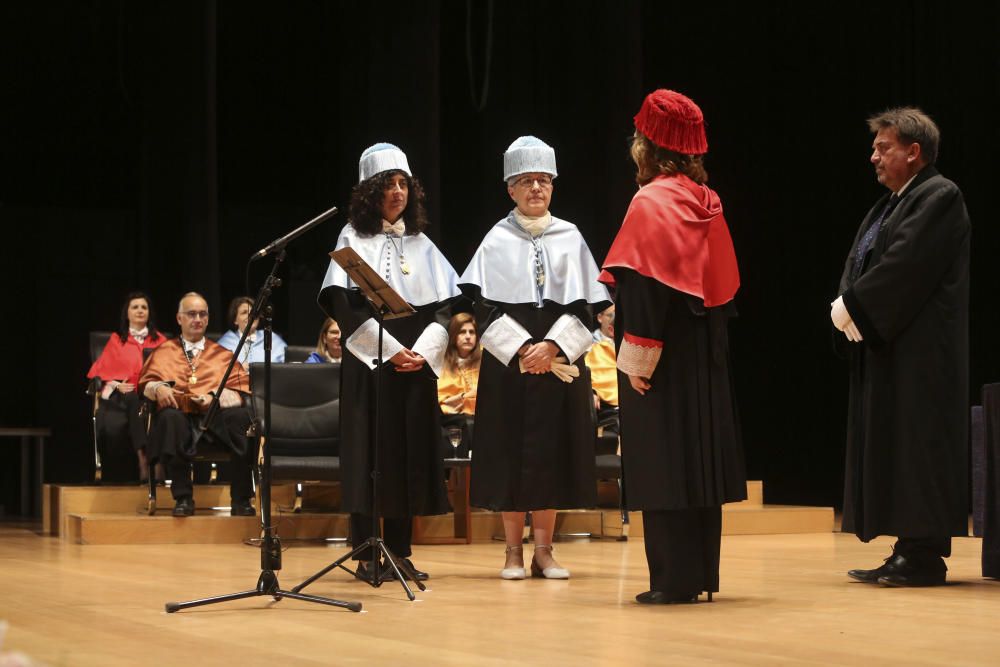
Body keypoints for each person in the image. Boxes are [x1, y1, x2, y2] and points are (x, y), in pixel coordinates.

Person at [600, 89, 746, 604]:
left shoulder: (652, 200)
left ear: (648, 143)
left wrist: (637, 360)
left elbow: (645, 285)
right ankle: (702, 574)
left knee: (664, 460)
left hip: (662, 355)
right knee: (697, 459)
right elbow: (717, 286)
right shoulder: (707, 200)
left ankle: (672, 579)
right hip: (704, 352)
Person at [830, 107, 970, 587]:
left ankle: (925, 555)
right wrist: (848, 303)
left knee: (919, 446)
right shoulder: (892, 202)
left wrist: (854, 304)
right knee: (897, 445)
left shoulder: (939, 195)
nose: (873, 157)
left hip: (923, 352)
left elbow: (905, 264)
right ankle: (907, 549)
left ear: (913, 152)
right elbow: (864, 257)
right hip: (893, 345)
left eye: (882, 147)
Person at [461, 136, 610, 580]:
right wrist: (524, 350)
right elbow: (481, 306)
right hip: (511, 365)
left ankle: (544, 551)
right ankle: (511, 551)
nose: (536, 189)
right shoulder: (495, 239)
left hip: (559, 363)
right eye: (527, 181)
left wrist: (555, 347)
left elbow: (588, 308)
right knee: (509, 451)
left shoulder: (571, 236)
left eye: (544, 181)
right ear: (511, 188)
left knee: (552, 454)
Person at [318, 143, 460, 581]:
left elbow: (445, 308)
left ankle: (399, 550)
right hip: (370, 367)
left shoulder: (422, 244)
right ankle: (364, 553)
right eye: (388, 185)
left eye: (403, 184)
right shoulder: (351, 239)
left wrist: (425, 351)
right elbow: (345, 306)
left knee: (407, 456)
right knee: (368, 454)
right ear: (370, 192)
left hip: (416, 368)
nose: (398, 192)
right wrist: (391, 351)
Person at [139, 292, 256, 517]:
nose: (198, 319)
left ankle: (241, 500)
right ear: (179, 318)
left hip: (215, 418)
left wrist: (215, 397)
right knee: (170, 418)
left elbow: (241, 387)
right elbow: (146, 382)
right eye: (191, 314)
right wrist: (159, 388)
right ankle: (183, 498)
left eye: (203, 314)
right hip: (179, 416)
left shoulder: (221, 354)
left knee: (241, 418)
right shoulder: (164, 351)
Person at [87, 291, 166, 482]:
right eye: (135, 307)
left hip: (151, 391)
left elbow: (168, 369)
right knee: (132, 397)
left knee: (158, 407)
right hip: (124, 393)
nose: (140, 310)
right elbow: (101, 371)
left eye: (144, 307)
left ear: (149, 313)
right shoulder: (117, 340)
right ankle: (144, 460)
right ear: (127, 313)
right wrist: (116, 384)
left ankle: (156, 461)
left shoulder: (160, 341)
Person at [437, 312, 481, 458]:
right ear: (454, 335)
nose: (468, 336)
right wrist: (470, 396)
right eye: (462, 332)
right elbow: (443, 401)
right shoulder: (442, 362)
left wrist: (461, 397)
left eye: (472, 332)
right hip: (451, 421)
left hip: (480, 419)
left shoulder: (485, 361)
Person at [217, 295, 287, 368]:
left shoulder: (271, 337)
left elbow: (287, 365)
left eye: (253, 312)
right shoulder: (226, 343)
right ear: (235, 320)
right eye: (244, 312)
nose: (250, 316)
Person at [584, 305, 619, 434]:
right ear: (599, 317)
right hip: (606, 402)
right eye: (610, 315)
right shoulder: (589, 345)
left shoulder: (627, 344)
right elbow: (588, 373)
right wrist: (591, 392)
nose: (612, 319)